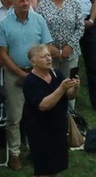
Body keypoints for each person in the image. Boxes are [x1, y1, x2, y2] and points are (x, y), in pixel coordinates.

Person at [0, 0, 53, 170]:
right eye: (22, 1)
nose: (26, 3)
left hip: (38, 73)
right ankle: (14, 154)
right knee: (14, 116)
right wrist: (22, 75)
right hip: (15, 75)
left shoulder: (39, 20)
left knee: (39, 113)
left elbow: (46, 48)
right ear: (12, 3)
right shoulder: (3, 24)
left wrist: (34, 73)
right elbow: (3, 55)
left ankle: (37, 150)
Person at [23, 43, 80, 175]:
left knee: (56, 166)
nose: (49, 59)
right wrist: (61, 88)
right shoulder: (30, 81)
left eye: (49, 55)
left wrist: (75, 87)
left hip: (58, 128)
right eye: (44, 56)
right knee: (44, 168)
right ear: (34, 62)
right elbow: (43, 105)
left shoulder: (56, 74)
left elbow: (70, 95)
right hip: (40, 131)